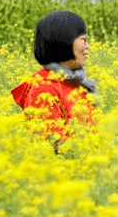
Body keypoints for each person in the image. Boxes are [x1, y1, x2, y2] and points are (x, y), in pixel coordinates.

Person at [11, 11, 98, 145]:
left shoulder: (76, 82)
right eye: (83, 40)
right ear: (64, 41)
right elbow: (54, 143)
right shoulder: (43, 90)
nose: (87, 46)